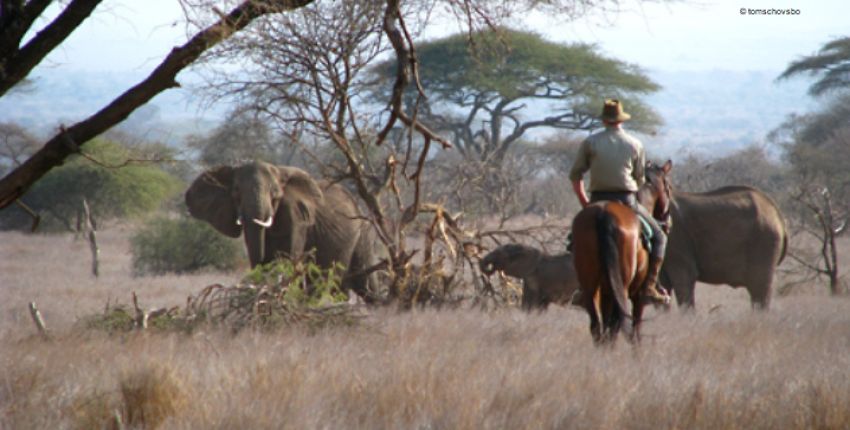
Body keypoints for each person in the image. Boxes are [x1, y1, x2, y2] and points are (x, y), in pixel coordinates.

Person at [568, 99, 670, 304]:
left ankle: (583, 288)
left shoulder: (590, 142)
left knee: (573, 241)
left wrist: (585, 203)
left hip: (596, 199)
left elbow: (575, 176)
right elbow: (640, 179)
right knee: (659, 237)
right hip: (627, 200)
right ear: (621, 120)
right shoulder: (635, 144)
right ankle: (649, 286)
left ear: (604, 121)